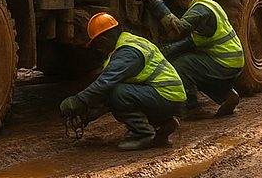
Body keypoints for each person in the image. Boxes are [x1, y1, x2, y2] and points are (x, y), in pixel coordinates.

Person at [59, 13, 187, 151]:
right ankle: (165, 123)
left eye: (96, 45)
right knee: (118, 93)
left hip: (166, 97)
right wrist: (89, 114)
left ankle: (144, 134)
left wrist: (75, 102)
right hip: (168, 96)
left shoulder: (127, 54)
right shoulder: (130, 42)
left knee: (118, 93)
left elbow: (103, 85)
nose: (98, 50)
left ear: (102, 40)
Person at [146, 0, 244, 117]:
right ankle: (226, 96)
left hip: (224, 61)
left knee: (182, 65)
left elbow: (177, 29)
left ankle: (192, 108)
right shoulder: (209, 3)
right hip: (231, 60)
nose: (177, 1)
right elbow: (193, 40)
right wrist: (168, 51)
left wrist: (159, 8)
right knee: (195, 66)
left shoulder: (199, 10)